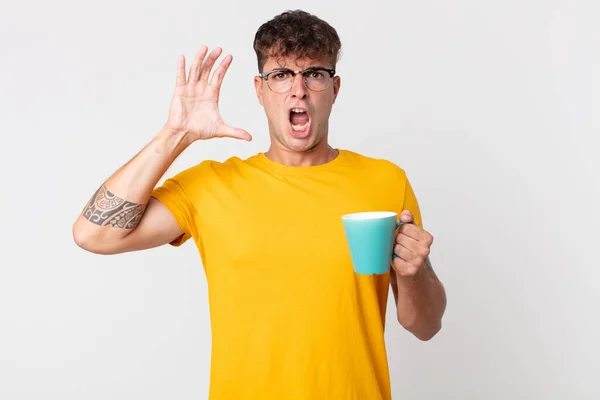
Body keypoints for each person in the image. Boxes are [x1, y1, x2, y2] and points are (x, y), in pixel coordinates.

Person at [72, 9, 447, 400]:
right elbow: (93, 234)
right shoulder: (211, 186)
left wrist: (413, 271)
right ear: (259, 89)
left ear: (335, 89)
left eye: (314, 74)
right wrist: (176, 134)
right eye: (281, 75)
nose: (298, 90)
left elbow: (426, 325)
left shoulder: (386, 182)